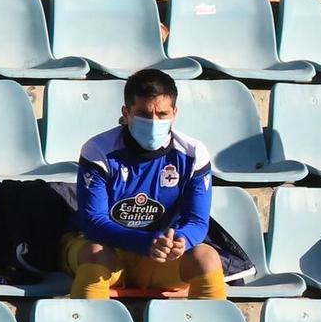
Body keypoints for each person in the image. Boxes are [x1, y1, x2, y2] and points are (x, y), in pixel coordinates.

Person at [65, 68, 224, 301]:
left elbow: (198, 221)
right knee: (94, 253)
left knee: (206, 258)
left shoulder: (192, 153)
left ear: (175, 113)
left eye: (162, 114)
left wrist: (181, 241)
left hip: (160, 257)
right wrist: (145, 242)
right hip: (109, 253)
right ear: (126, 113)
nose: (153, 122)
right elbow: (93, 223)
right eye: (143, 114)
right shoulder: (98, 150)